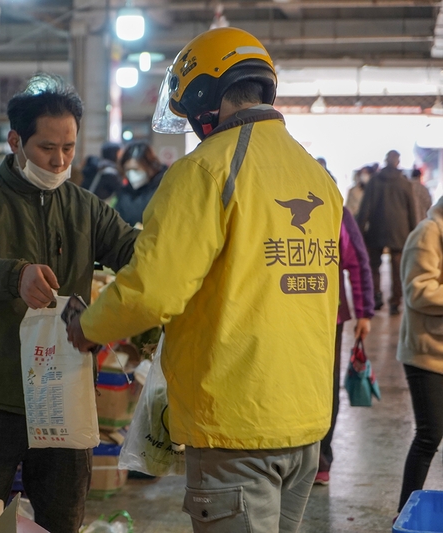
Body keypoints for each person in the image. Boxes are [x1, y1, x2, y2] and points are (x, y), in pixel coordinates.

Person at [67, 27, 342, 532]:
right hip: (306, 420)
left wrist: (88, 325)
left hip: (237, 421)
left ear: (202, 97)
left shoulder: (206, 170)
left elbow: (153, 290)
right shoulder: (317, 177)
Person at [0, 74, 138, 533]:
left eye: (68, 147)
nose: (60, 159)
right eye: (48, 147)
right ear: (16, 141)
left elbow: (135, 255)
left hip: (64, 396)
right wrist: (14, 275)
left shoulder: (86, 208)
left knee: (62, 521)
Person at [315, 207, 374, 485]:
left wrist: (364, 312)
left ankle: (320, 460)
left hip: (328, 317)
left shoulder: (334, 209)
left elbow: (358, 261)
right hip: (281, 315)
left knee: (325, 386)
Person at [397, 194, 443, 513]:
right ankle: (404, 512)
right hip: (426, 353)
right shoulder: (428, 232)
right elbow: (418, 290)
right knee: (429, 436)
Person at [356, 150, 416, 315]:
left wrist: (359, 231)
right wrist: (414, 233)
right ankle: (395, 301)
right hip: (400, 231)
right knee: (398, 268)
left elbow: (364, 209)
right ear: (398, 162)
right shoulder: (405, 183)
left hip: (376, 229)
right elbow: (412, 211)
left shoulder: (374, 181)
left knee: (374, 266)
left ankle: (376, 296)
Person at [115, 142, 168, 226]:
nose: (131, 174)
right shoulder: (124, 192)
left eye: (136, 169)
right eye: (128, 169)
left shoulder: (163, 189)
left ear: (150, 167)